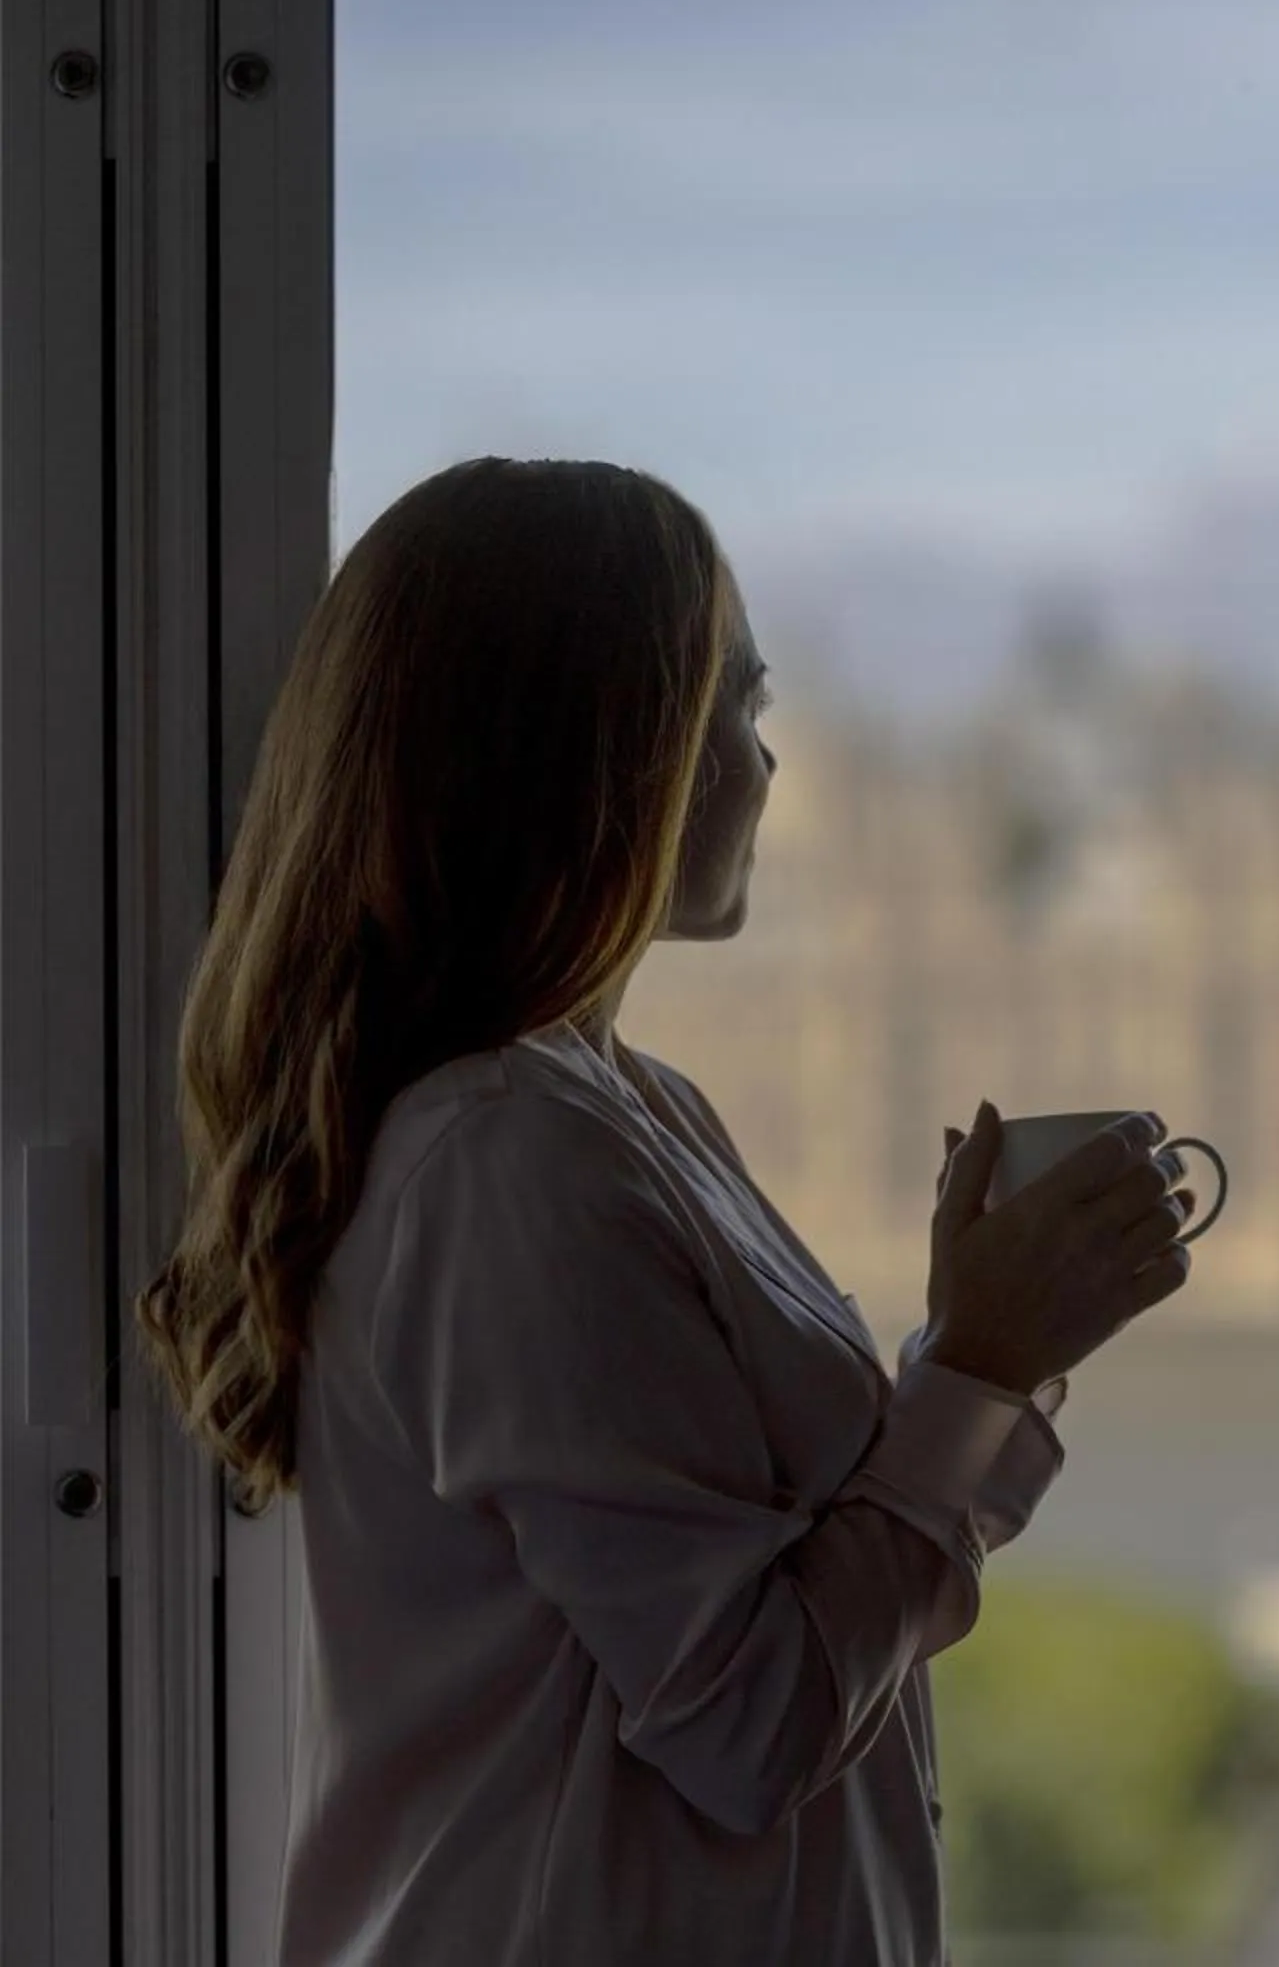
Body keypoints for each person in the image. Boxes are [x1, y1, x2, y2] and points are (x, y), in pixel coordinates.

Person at [130, 457, 1196, 1965]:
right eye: (736, 711)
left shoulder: (639, 1109)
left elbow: (785, 1569)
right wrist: (983, 1374)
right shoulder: (510, 1164)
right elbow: (752, 1722)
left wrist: (978, 1335)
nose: (772, 768)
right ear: (600, 755)